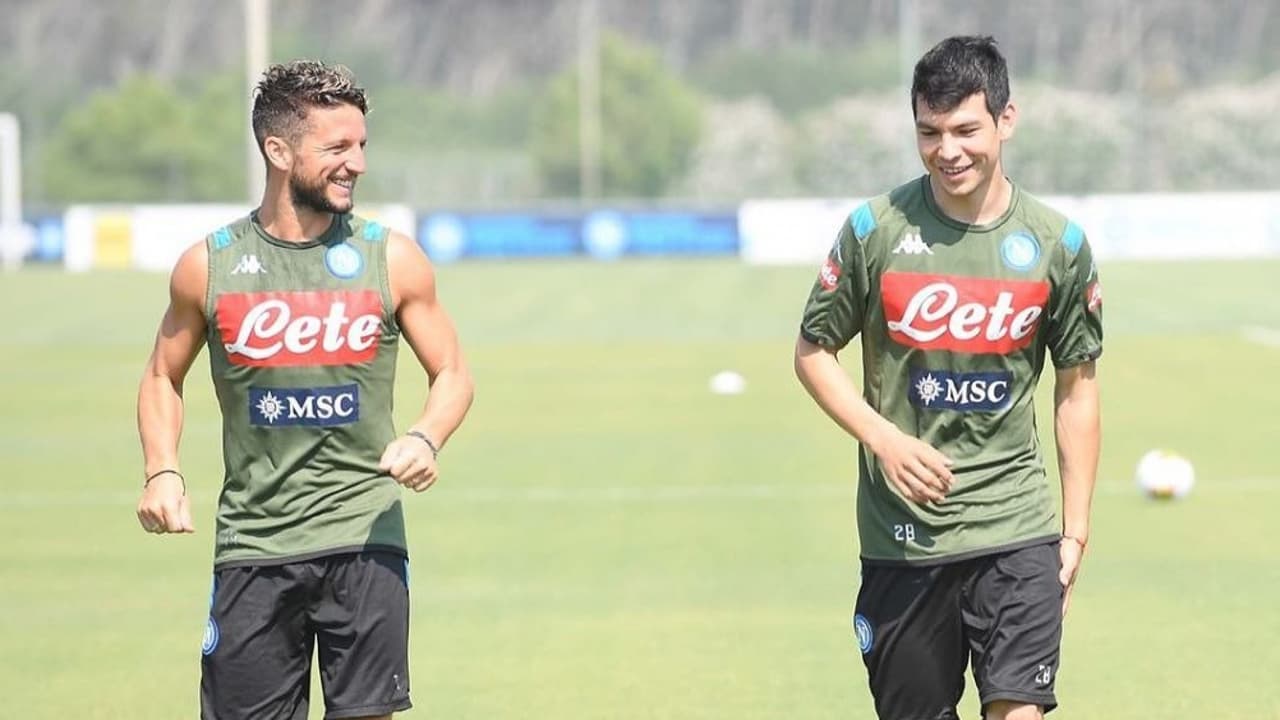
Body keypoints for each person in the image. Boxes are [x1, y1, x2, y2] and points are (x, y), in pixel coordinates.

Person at [135, 59, 474, 720]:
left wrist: (426, 436)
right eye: (338, 147)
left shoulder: (391, 258)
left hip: (365, 537)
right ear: (279, 151)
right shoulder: (209, 266)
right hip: (254, 543)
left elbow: (454, 373)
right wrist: (162, 469)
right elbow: (161, 377)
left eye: (362, 145)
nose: (358, 164)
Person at [794, 36, 1102, 720]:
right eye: (929, 133)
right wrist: (884, 439)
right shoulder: (875, 231)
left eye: (965, 130)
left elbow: (1076, 388)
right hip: (905, 539)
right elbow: (813, 351)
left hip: (1016, 528)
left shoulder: (1059, 245)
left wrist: (1074, 530)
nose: (947, 151)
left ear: (1005, 120)